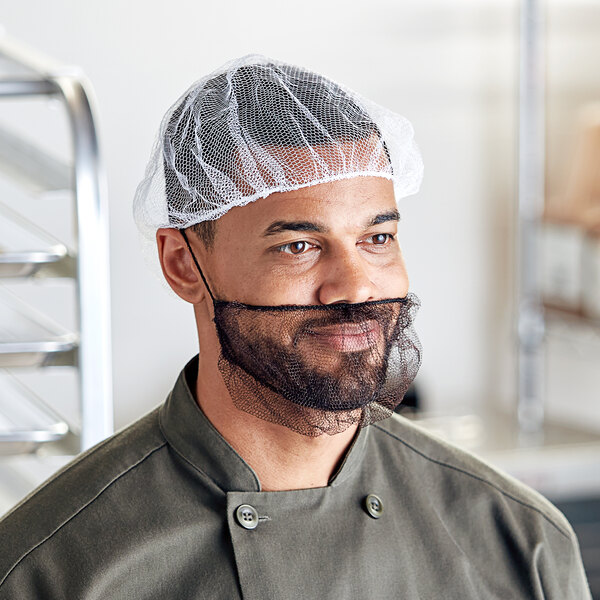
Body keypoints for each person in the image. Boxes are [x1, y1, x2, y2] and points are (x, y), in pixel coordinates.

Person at [0, 55, 591, 599]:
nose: (356, 286)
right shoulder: (52, 569)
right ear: (183, 264)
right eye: (299, 245)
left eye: (377, 239)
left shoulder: (520, 542)